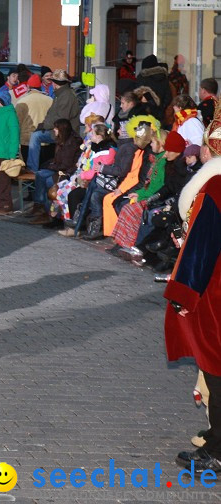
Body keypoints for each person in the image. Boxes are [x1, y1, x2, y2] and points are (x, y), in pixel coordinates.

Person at [165, 141, 221, 473]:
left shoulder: (215, 188)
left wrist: (183, 295)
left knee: (217, 373)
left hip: (216, 291)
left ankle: (217, 450)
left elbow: (200, 248)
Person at [27, 119, 83, 224]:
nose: (54, 130)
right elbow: (58, 160)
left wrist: (50, 166)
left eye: (56, 128)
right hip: (58, 169)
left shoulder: (71, 143)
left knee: (48, 181)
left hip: (66, 172)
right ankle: (40, 206)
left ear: (61, 129)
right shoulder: (62, 140)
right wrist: (48, 165)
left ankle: (48, 212)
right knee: (40, 174)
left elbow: (65, 165)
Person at [27, 69, 79, 172]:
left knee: (35, 136)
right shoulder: (62, 94)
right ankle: (33, 168)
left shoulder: (65, 96)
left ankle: (32, 169)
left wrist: (44, 125)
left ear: (55, 83)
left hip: (65, 133)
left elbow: (61, 119)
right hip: (59, 130)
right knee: (36, 135)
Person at [137, 54, 172, 123]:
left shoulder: (143, 77)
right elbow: (168, 97)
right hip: (160, 115)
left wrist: (150, 105)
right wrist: (160, 107)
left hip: (145, 114)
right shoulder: (164, 77)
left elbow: (140, 94)